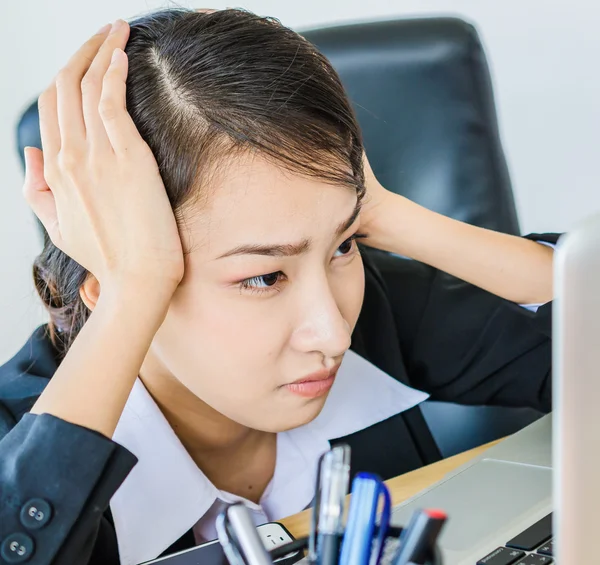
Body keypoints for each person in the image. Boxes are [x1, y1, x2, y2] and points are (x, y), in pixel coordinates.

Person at [0, 8, 556, 565]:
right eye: (264, 276)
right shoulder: (19, 434)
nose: (334, 333)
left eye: (343, 246)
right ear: (109, 285)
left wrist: (381, 212)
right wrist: (130, 293)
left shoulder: (375, 308)